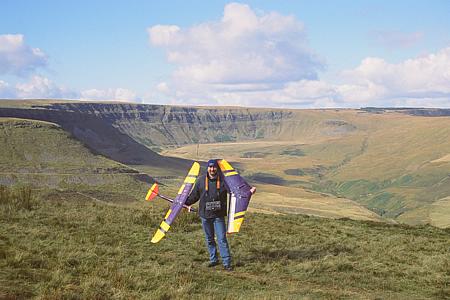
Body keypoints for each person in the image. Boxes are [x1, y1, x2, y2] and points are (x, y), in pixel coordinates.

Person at [185, 159, 255, 271]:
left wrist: (249, 191)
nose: (212, 169)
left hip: (218, 216)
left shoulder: (224, 181)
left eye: (214, 167)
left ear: (217, 169)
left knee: (222, 239)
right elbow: (194, 196)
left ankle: (227, 263)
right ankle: (213, 260)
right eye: (210, 167)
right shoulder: (200, 181)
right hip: (205, 215)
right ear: (207, 168)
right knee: (209, 239)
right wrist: (184, 202)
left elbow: (236, 190)